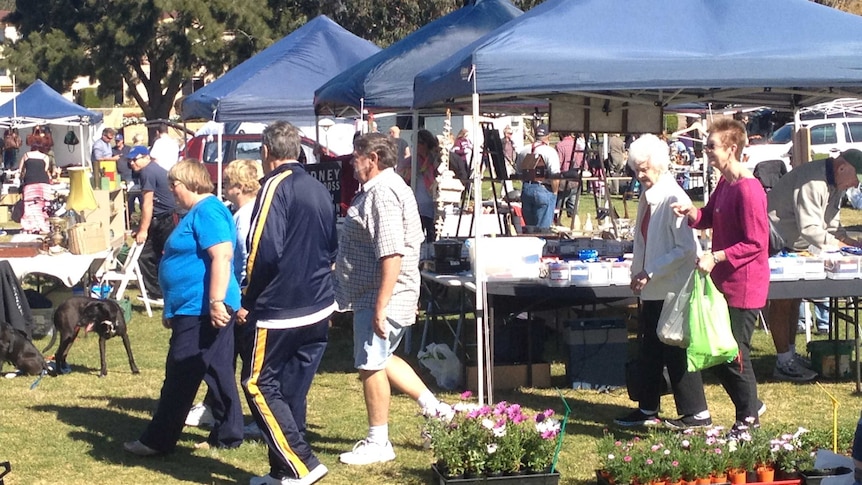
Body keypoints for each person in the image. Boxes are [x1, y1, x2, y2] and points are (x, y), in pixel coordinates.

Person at [335, 133, 449, 466]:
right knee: (383, 358)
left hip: (380, 294)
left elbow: (391, 253)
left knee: (370, 366)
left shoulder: (382, 193)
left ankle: (378, 441)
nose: (351, 161)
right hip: (385, 292)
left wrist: (381, 306)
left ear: (372, 158)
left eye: (356, 155)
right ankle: (435, 408)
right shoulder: (390, 187)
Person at [236, 121, 336, 485]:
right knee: (290, 387)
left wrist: (248, 297)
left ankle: (301, 462)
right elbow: (331, 245)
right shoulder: (317, 187)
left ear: (266, 152)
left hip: (280, 308)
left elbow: (264, 249)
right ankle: (283, 471)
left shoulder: (274, 186)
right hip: (318, 303)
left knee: (258, 383)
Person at [123, 160, 243, 456]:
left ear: (189, 182)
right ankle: (228, 433)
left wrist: (216, 302)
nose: (172, 192)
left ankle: (157, 440)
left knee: (180, 371)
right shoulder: (200, 211)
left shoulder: (209, 210)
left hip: (202, 308)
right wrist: (172, 308)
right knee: (216, 371)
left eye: (174, 185)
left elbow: (222, 256)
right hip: (192, 307)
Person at [672, 118, 769, 428]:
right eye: (706, 147)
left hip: (745, 285)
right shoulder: (725, 184)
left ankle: (747, 419)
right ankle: (750, 404)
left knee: (734, 354)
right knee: (717, 350)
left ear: (731, 149)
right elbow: (708, 216)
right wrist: (691, 213)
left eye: (711, 147)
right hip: (723, 282)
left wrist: (716, 256)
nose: (706, 152)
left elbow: (756, 242)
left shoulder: (749, 189)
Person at [614, 134, 712, 429]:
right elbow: (644, 241)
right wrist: (638, 271)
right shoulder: (650, 194)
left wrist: (650, 270)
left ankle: (696, 413)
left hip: (673, 286)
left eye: (644, 168)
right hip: (653, 288)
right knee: (650, 350)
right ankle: (647, 408)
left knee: (675, 348)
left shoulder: (673, 197)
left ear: (659, 165)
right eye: (636, 169)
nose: (639, 175)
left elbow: (686, 249)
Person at [765, 148, 862, 382]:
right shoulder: (813, 180)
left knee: (794, 297)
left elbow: (832, 226)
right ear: (841, 168)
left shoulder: (834, 183)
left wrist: (852, 243)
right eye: (854, 180)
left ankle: (789, 353)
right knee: (782, 300)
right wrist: (839, 245)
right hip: (774, 239)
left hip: (793, 244)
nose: (853, 186)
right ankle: (783, 361)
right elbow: (811, 229)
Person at [184, 159, 264, 434]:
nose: (224, 189)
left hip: (240, 298)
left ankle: (237, 417)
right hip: (240, 298)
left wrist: (243, 301)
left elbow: (242, 261)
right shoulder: (241, 213)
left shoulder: (244, 218)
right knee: (224, 360)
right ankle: (214, 407)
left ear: (239, 187)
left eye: (227, 184)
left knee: (230, 361)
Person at [129, 145, 177, 302]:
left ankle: (157, 293)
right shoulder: (154, 169)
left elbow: (147, 203)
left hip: (164, 219)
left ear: (146, 157)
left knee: (145, 255)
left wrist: (143, 230)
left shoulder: (147, 172)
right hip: (166, 217)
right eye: (129, 161)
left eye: (135, 160)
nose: (131, 163)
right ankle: (163, 290)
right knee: (159, 255)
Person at [396, 129, 440, 241]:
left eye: (417, 144)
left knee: (433, 233)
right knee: (416, 235)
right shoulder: (412, 161)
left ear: (424, 144)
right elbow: (400, 174)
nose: (415, 147)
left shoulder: (436, 158)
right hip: (417, 201)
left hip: (433, 200)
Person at [515, 123, 560, 231]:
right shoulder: (550, 152)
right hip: (543, 189)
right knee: (543, 231)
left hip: (527, 189)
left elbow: (518, 171)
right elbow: (555, 175)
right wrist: (554, 193)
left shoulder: (523, 150)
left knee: (529, 229)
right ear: (548, 136)